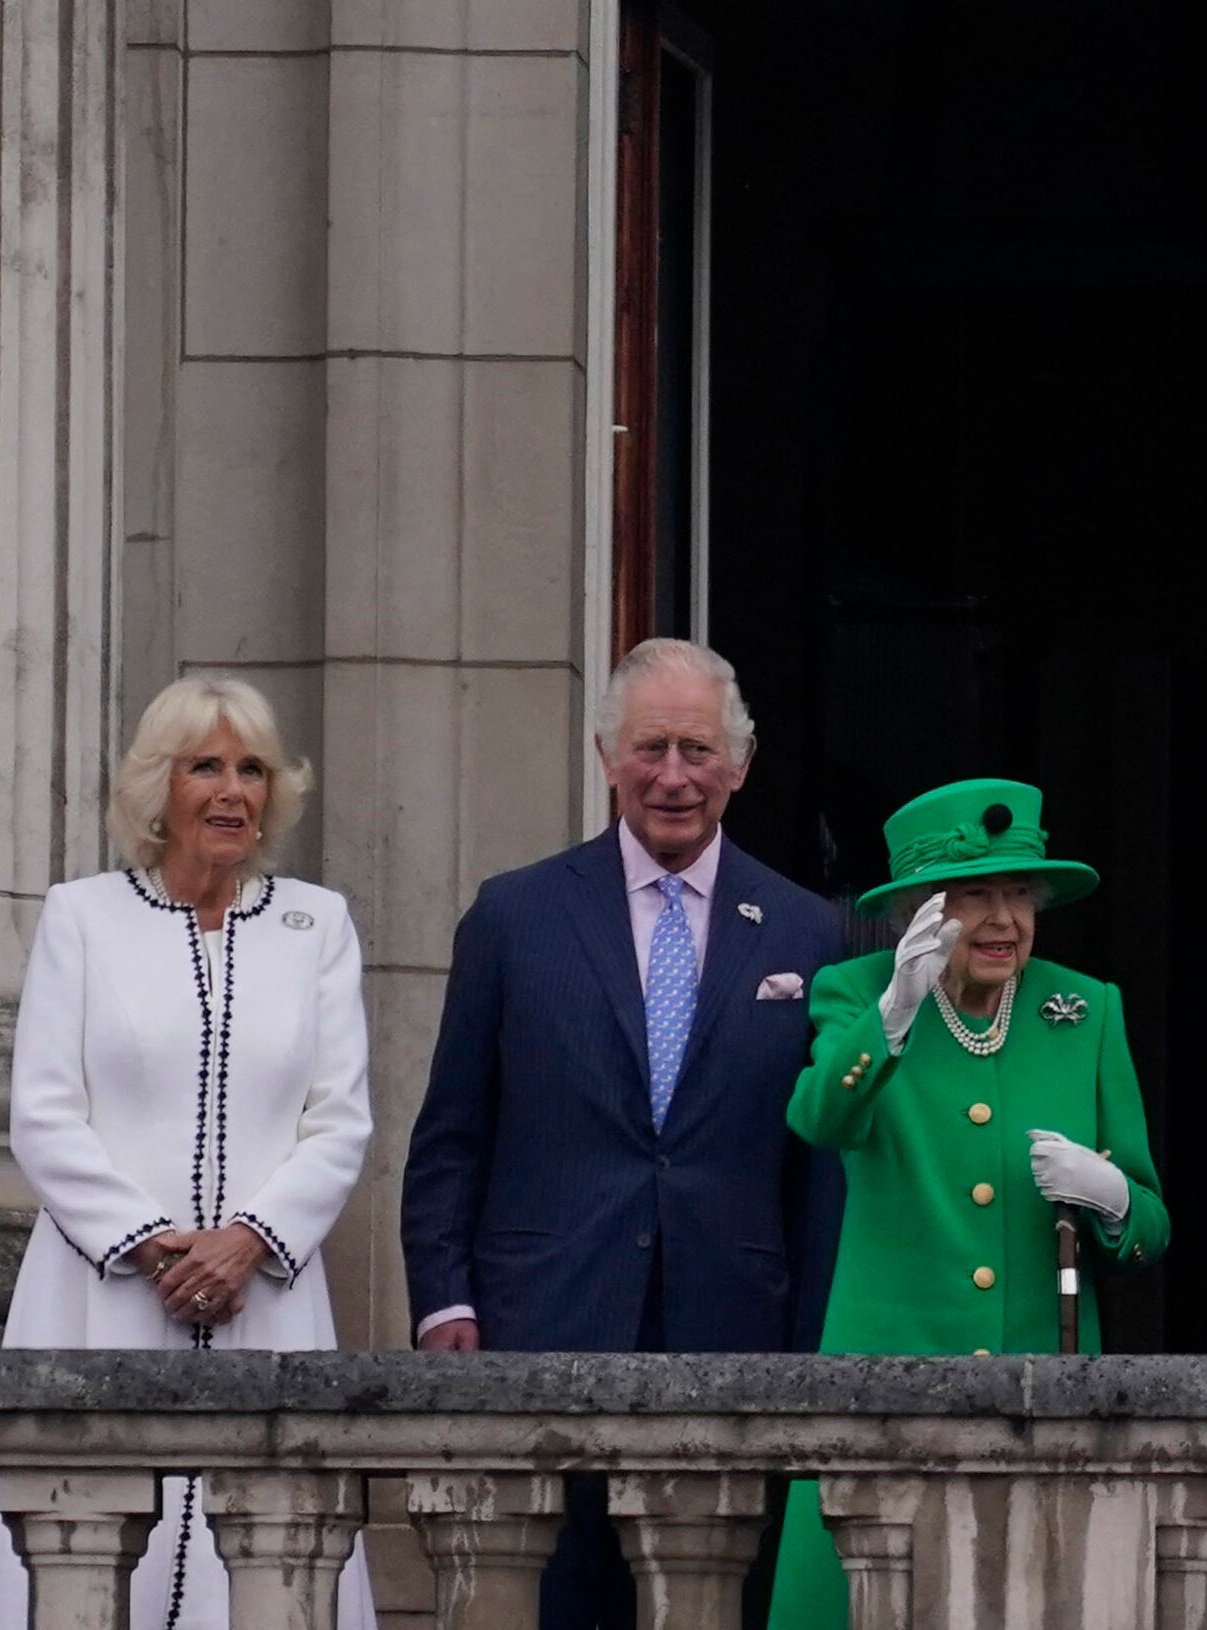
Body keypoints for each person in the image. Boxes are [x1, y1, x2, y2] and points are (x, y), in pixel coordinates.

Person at [400, 637, 846, 1630]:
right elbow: (451, 1136)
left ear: (739, 762)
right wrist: (443, 1302)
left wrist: (817, 1350)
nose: (673, 776)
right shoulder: (514, 916)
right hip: (540, 1329)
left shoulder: (809, 932)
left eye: (697, 749)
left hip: (735, 1339)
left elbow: (818, 1171)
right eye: (651, 748)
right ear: (607, 754)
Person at [0, 677, 376, 1629]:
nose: (232, 791)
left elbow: (340, 1121)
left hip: (265, 1298)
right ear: (160, 787)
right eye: (206, 766)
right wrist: (157, 1245)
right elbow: (43, 1115)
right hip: (104, 1296)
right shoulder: (83, 918)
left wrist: (247, 1240)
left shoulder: (316, 925)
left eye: (251, 769)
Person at [768, 778, 1169, 1627]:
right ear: (920, 909)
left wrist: (1109, 1199)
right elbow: (819, 1119)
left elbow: (1148, 1231)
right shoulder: (857, 992)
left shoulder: (1086, 1010)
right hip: (885, 1395)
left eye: (1019, 894)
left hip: (1041, 1409)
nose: (1003, 920)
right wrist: (893, 1014)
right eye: (975, 897)